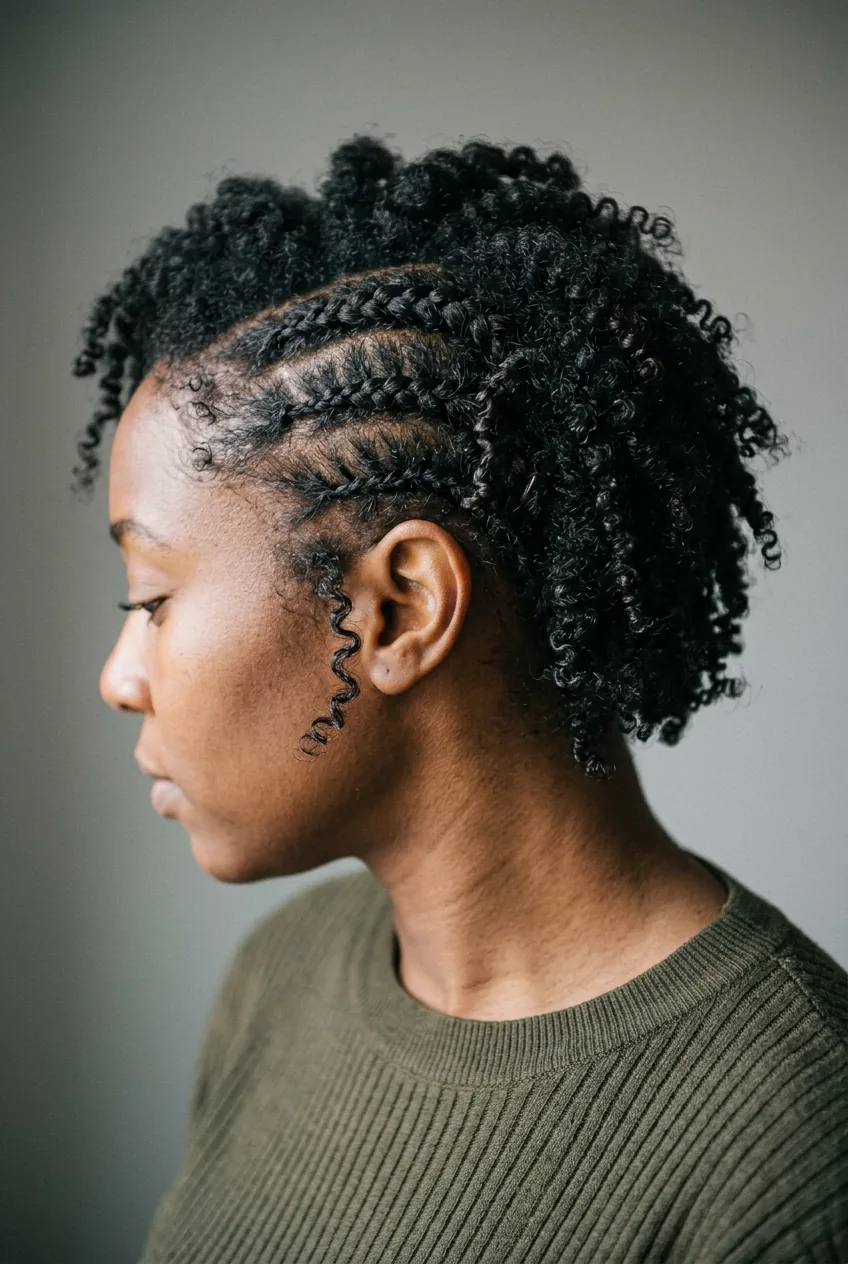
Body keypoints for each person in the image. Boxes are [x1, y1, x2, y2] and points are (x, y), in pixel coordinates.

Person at [74, 136, 847, 1262]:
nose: (118, 676)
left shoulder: (791, 1141)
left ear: (399, 610)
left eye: (150, 596)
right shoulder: (279, 980)